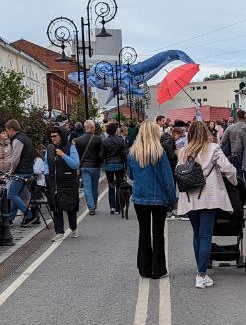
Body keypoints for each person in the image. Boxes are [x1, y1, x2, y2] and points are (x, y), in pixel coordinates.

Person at [175, 120, 238, 288]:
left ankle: (200, 269)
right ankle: (201, 275)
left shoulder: (182, 151)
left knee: (197, 234)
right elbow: (228, 168)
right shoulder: (212, 148)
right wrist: (235, 182)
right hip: (208, 196)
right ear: (205, 132)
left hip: (189, 197)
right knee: (205, 236)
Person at [129, 121, 176, 278]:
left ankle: (144, 268)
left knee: (143, 232)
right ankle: (158, 269)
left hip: (140, 197)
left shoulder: (133, 152)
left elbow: (130, 175)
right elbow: (167, 179)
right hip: (158, 198)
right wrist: (172, 200)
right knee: (157, 233)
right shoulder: (159, 152)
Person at [44, 127, 81, 241]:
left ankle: (73, 228)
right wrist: (47, 174)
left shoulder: (70, 147)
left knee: (70, 206)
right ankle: (59, 232)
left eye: (55, 136)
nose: (53, 138)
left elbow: (75, 164)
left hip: (68, 182)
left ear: (61, 135)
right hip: (54, 182)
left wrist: (63, 155)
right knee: (56, 207)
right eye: (51, 136)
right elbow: (46, 163)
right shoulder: (49, 148)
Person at [0, 118, 37, 227]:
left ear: (11, 129)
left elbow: (15, 158)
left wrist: (11, 171)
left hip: (21, 172)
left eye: (7, 131)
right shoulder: (25, 138)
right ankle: (10, 218)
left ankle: (29, 214)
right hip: (28, 170)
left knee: (11, 195)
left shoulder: (17, 140)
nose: (7, 133)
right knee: (16, 194)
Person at [74, 120, 104, 216]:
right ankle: (94, 204)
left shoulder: (78, 140)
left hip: (84, 166)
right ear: (92, 127)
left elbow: (77, 155)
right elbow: (101, 153)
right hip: (95, 166)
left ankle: (91, 206)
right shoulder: (98, 139)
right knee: (94, 187)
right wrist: (100, 162)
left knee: (87, 187)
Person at [101, 121, 129, 215]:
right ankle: (118, 207)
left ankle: (112, 207)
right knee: (119, 186)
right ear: (115, 130)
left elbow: (102, 154)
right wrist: (125, 165)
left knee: (111, 185)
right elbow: (123, 154)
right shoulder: (120, 140)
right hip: (119, 165)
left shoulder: (104, 141)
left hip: (109, 165)